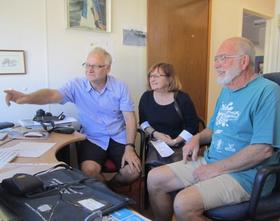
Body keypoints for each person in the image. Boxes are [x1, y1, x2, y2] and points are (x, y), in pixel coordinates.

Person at [147, 37, 280, 221]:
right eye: (216, 59)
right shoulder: (227, 90)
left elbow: (263, 149)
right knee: (154, 179)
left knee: (183, 204)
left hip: (245, 175)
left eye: (223, 58)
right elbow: (212, 129)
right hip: (212, 161)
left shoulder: (268, 92)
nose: (217, 64)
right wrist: (196, 138)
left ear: (244, 61)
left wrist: (215, 168)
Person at [4, 47, 141, 186]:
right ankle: (106, 190)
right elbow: (52, 95)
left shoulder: (120, 87)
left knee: (134, 171)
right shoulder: (76, 86)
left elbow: (130, 119)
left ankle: (109, 187)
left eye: (95, 66)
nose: (89, 69)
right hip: (93, 138)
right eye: (87, 65)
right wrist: (27, 98)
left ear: (107, 68)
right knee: (89, 171)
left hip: (119, 137)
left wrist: (129, 147)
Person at [139, 62, 199, 165]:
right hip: (157, 143)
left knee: (179, 171)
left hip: (181, 144)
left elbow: (192, 126)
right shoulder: (146, 97)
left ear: (169, 78)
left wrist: (174, 141)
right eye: (151, 76)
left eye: (157, 76)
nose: (152, 79)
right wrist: (157, 134)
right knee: (156, 172)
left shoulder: (182, 98)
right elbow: (143, 123)